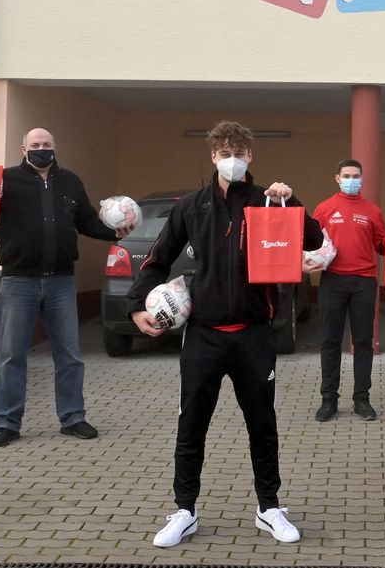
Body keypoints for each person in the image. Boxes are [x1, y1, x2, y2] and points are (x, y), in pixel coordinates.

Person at [126, 121, 322, 548]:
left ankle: (269, 508)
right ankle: (184, 510)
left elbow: (314, 237)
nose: (233, 157)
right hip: (203, 336)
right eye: (225, 151)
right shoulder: (191, 207)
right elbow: (157, 260)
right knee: (192, 424)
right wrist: (137, 305)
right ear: (213, 156)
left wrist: (292, 202)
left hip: (254, 335)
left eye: (240, 151)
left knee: (262, 424)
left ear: (251, 156)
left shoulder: (267, 201)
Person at [0, 130, 131, 448]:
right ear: (23, 149)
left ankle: (73, 418)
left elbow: (89, 222)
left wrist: (116, 232)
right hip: (17, 281)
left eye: (47, 145)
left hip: (62, 282)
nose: (41, 149)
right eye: (35, 145)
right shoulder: (5, 180)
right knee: (12, 356)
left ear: (55, 147)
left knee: (70, 356)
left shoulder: (70, 182)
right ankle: (7, 423)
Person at [307, 158, 385, 422]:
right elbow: (311, 242)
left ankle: (361, 399)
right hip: (332, 281)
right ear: (337, 178)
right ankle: (328, 400)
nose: (351, 180)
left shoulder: (372, 211)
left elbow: (381, 246)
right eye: (347, 175)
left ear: (362, 179)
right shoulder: (325, 209)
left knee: (363, 342)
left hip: (364, 282)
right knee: (329, 341)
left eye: (356, 176)